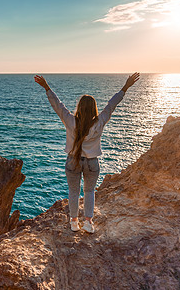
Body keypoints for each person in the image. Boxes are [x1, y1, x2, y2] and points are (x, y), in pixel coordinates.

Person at [34, 73, 140, 233]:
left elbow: (57, 105)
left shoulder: (70, 121)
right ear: (93, 108)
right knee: (89, 191)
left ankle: (74, 222)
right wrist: (125, 87)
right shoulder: (100, 122)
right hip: (92, 162)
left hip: (73, 161)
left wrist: (47, 87)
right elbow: (112, 104)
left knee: (73, 192)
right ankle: (88, 223)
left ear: (79, 107)